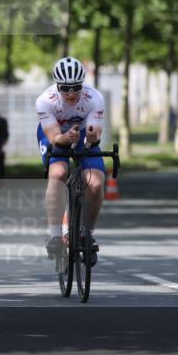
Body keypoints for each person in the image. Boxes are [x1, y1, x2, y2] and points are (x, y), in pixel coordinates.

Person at [36, 57, 107, 266]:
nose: (70, 93)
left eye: (75, 87)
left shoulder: (94, 98)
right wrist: (65, 139)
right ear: (57, 85)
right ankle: (56, 235)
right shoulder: (45, 100)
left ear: (82, 84)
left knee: (94, 184)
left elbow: (96, 132)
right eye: (65, 88)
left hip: (84, 131)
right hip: (55, 132)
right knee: (58, 174)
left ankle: (87, 233)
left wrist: (92, 138)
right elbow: (55, 138)